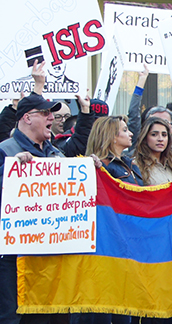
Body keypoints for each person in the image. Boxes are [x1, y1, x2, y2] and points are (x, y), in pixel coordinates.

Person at [0, 80, 63, 324]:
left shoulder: (56, 153)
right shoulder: (6, 150)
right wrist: (10, 169)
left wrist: (91, 167)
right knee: (12, 316)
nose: (52, 117)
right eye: (46, 113)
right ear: (27, 118)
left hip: (49, 253)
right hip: (14, 255)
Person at [86, 116, 143, 186]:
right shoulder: (101, 165)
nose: (131, 134)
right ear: (112, 136)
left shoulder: (131, 163)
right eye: (125, 130)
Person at [133, 117, 172, 186]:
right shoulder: (136, 165)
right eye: (154, 134)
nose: (160, 139)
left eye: (164, 135)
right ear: (145, 137)